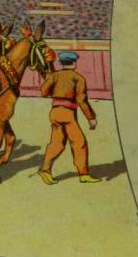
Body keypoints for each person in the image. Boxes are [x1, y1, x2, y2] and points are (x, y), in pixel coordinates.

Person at [38, 51, 101, 184]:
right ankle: (83, 174)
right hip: (68, 113)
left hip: (54, 112)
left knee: (57, 143)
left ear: (61, 63)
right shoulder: (78, 78)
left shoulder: (54, 76)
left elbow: (43, 93)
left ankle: (45, 170)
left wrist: (51, 81)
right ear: (74, 63)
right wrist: (91, 117)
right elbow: (81, 100)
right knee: (79, 143)